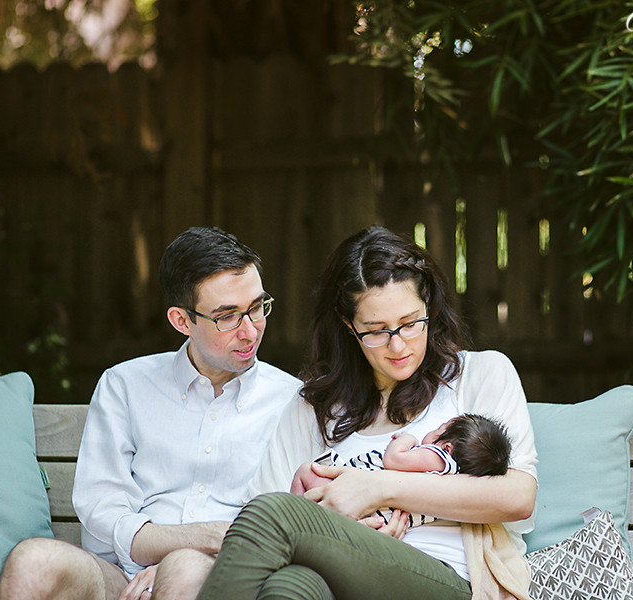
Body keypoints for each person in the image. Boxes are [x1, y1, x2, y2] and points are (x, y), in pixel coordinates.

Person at [196, 226, 538, 600]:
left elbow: (517, 497)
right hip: (337, 577)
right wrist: (338, 517)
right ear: (348, 325)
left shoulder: (479, 374)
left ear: (429, 306)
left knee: (275, 514)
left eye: (410, 323)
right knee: (288, 587)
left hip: (447, 580)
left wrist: (376, 488)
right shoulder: (314, 408)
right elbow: (265, 518)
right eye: (375, 330)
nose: (398, 345)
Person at [0, 226, 301, 600]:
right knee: (32, 561)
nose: (250, 331)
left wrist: (179, 559)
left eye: (257, 307)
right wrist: (187, 541)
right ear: (181, 321)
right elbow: (102, 511)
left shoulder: (292, 401)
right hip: (119, 576)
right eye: (227, 316)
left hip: (224, 576)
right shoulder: (125, 385)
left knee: (185, 569)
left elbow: (279, 527)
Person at [291, 413, 512, 498]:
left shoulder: (437, 458)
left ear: (447, 448)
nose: (433, 430)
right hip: (359, 494)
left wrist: (406, 439)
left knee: (306, 471)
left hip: (352, 488)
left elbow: (393, 460)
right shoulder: (449, 477)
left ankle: (294, 512)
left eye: (440, 428)